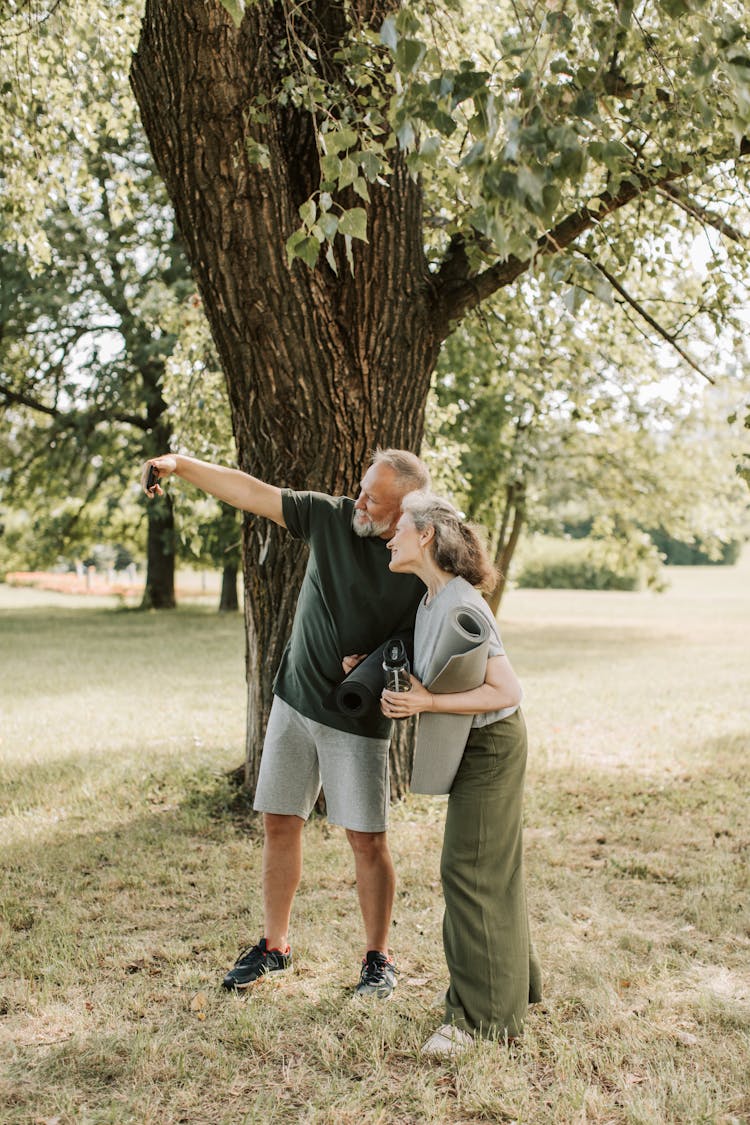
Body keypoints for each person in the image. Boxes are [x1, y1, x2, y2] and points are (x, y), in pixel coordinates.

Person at [141, 448, 430, 997]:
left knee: (367, 840)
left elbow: (439, 631)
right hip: (295, 702)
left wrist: (383, 657)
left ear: (406, 511)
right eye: (362, 487)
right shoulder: (330, 517)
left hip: (358, 717)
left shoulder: (420, 556)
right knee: (280, 823)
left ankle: (378, 959)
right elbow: (250, 491)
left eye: (374, 498)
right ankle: (274, 947)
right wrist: (180, 464)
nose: (360, 500)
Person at [381, 490, 542, 1053]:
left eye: (399, 526)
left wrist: (426, 704)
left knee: (469, 872)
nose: (390, 535)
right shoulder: (431, 600)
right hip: (480, 744)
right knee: (489, 870)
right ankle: (512, 989)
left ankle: (479, 1021)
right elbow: (443, 673)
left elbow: (505, 689)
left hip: (492, 746)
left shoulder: (462, 603)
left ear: (425, 535)